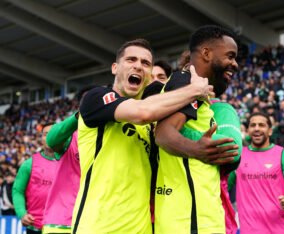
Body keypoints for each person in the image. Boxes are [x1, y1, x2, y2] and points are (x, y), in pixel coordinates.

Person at [71, 38, 234, 234]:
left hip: (143, 229)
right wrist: (193, 90)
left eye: (145, 63)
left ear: (149, 76)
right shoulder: (96, 99)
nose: (138, 66)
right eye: (131, 60)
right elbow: (142, 112)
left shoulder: (152, 125)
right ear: (115, 67)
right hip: (98, 227)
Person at [154, 25, 241, 234]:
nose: (235, 64)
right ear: (206, 53)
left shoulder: (199, 91)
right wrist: (196, 149)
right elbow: (163, 134)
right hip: (188, 222)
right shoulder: (186, 81)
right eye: (230, 56)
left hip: (203, 218)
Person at [229, 112, 284, 234]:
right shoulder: (238, 156)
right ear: (248, 130)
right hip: (250, 230)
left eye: (261, 125)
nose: (257, 128)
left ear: (270, 131)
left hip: (281, 230)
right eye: (253, 125)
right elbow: (222, 187)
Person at [42, 86, 94, 234]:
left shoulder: (110, 136)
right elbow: (52, 140)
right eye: (89, 101)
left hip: (92, 222)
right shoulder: (70, 136)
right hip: (62, 224)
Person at [12, 123, 57, 234]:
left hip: (61, 227)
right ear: (41, 138)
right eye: (45, 134)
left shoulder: (71, 164)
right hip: (35, 227)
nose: (49, 137)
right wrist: (22, 213)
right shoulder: (29, 164)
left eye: (53, 133)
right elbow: (18, 191)